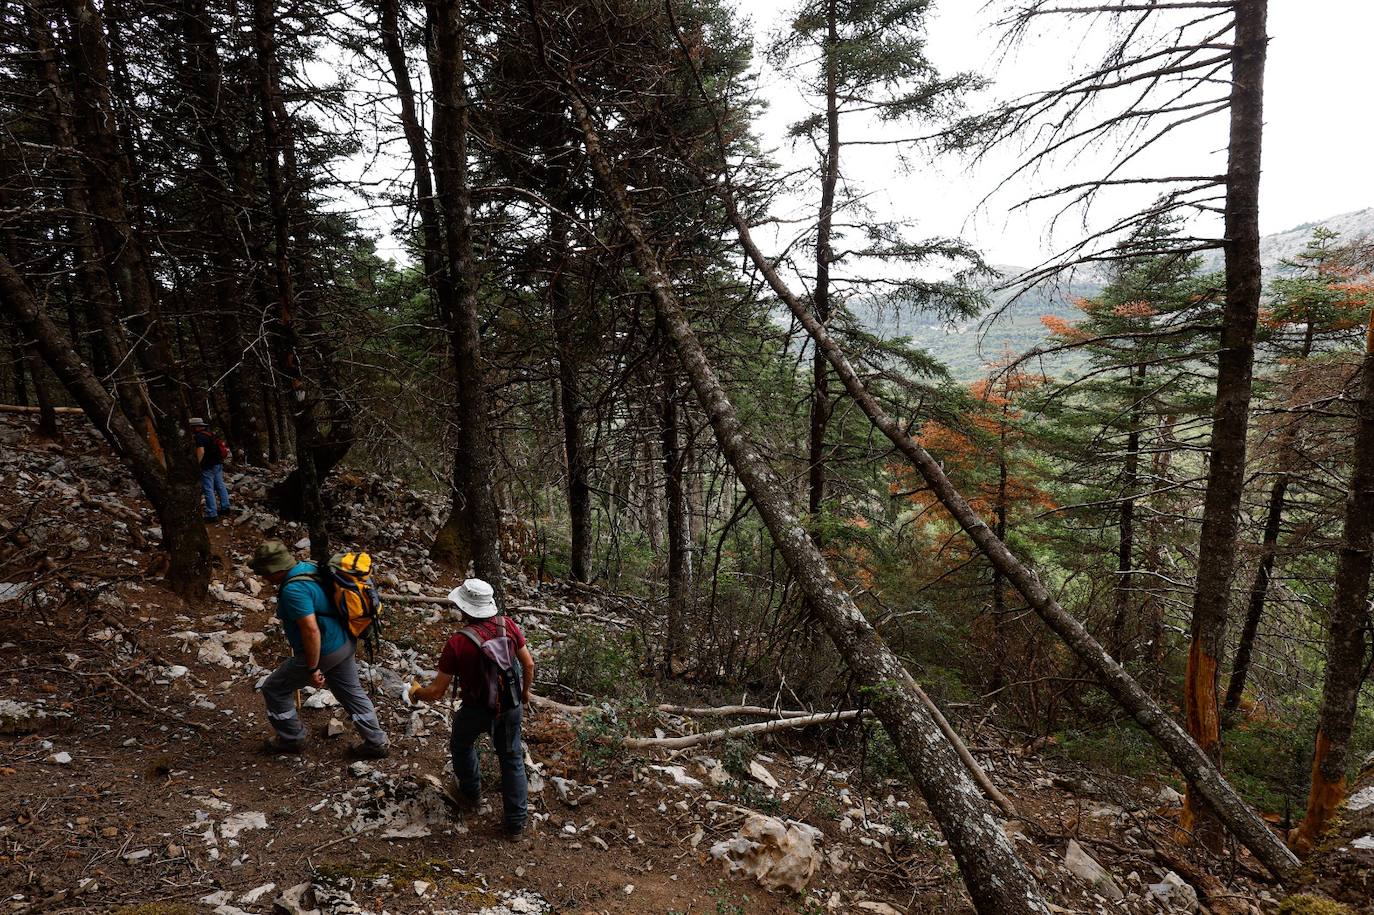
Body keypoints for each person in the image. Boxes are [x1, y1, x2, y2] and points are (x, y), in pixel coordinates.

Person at [409, 579, 535, 837]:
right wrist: (524, 693)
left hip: (476, 708)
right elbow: (529, 664)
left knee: (461, 744)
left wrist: (416, 693)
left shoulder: (457, 643)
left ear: (465, 608)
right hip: (510, 705)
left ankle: (471, 793)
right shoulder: (508, 625)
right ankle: (515, 824)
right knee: (512, 759)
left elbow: (437, 691)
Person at [249, 540, 389, 758]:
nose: (264, 578)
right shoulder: (309, 567)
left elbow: (311, 630)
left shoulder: (293, 589)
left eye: (265, 573)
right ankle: (376, 742)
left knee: (275, 688)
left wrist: (313, 667)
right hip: (344, 641)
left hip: (325, 650)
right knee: (352, 693)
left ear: (275, 570)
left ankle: (291, 738)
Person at [191, 417, 231, 523]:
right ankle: (225, 507)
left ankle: (212, 514)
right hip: (218, 463)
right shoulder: (211, 434)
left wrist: (197, 464)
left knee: (208, 489)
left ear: (196, 427)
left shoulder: (199, 437)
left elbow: (201, 451)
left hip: (207, 466)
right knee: (220, 486)